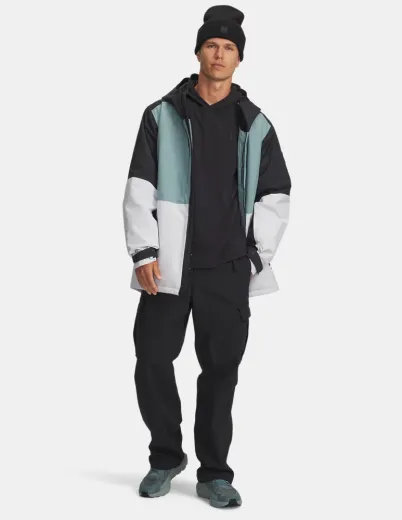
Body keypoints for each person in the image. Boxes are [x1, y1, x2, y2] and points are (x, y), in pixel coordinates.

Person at [122, 4, 291, 508]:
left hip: (227, 268)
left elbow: (276, 195)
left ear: (239, 59)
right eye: (211, 45)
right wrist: (143, 251)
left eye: (229, 47)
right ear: (198, 52)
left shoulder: (255, 125)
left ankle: (214, 472)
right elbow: (139, 185)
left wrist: (256, 257)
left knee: (221, 371)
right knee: (152, 359)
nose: (219, 54)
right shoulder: (162, 115)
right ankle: (165, 457)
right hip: (168, 266)